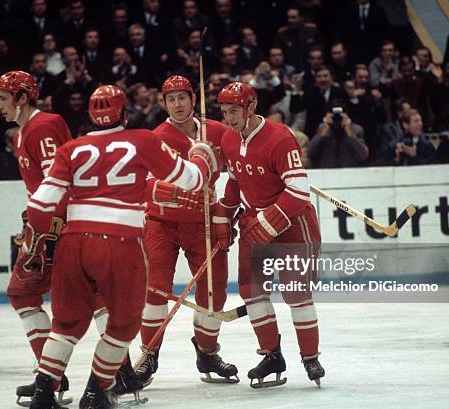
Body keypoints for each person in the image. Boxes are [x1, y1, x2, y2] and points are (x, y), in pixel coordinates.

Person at [24, 84, 219, 409]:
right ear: (124, 113)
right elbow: (192, 180)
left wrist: (41, 245)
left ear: (90, 115)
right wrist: (200, 155)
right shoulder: (142, 140)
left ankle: (43, 395)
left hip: (73, 242)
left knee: (66, 323)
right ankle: (96, 393)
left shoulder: (71, 149)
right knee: (124, 323)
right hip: (118, 243)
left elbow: (40, 204)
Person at [0, 70, 108, 406]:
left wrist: (48, 229)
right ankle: (120, 374)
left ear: (22, 98)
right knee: (93, 294)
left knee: (22, 292)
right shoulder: (25, 131)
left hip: (56, 227)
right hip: (55, 224)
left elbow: (57, 182)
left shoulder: (42, 127)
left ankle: (51, 377)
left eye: (3, 98)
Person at [217, 82, 325, 388]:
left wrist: (265, 223)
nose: (229, 118)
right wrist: (223, 220)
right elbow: (235, 183)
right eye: (225, 112)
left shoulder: (280, 137)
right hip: (255, 222)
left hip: (293, 223)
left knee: (296, 292)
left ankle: (310, 357)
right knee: (253, 292)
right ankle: (271, 354)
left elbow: (299, 193)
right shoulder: (228, 139)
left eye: (234, 111)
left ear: (251, 107)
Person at [136, 75, 238, 387]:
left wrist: (225, 214)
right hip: (161, 224)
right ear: (163, 103)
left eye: (183, 98)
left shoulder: (218, 133)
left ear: (193, 100)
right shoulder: (156, 137)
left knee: (215, 291)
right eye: (171, 99)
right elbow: (144, 182)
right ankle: (148, 354)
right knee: (156, 290)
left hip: (203, 225)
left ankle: (206, 351)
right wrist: (166, 189)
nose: (178, 105)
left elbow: (239, 173)